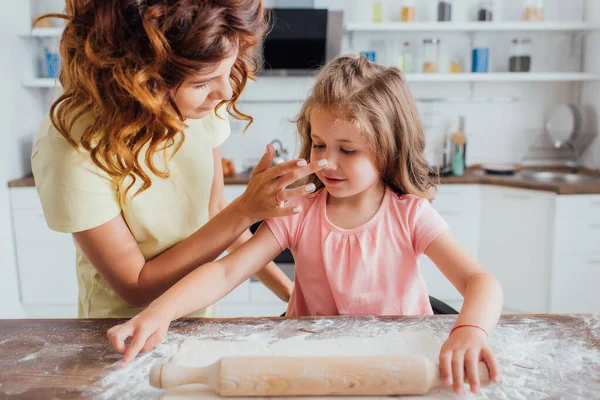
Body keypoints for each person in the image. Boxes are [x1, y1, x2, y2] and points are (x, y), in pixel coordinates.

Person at [108, 55, 504, 396]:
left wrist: (470, 330)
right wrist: (159, 313)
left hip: (396, 361)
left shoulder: (410, 215)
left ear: (388, 150)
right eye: (318, 144)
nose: (327, 161)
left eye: (347, 150)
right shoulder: (301, 210)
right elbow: (227, 270)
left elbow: (480, 282)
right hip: (309, 365)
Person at [31, 0, 327, 319]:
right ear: (140, 79)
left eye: (227, 72)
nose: (226, 93)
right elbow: (135, 285)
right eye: (202, 82)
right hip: (119, 332)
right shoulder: (72, 145)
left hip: (200, 319)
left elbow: (215, 213)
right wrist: (245, 210)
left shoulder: (201, 108)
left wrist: (291, 294)